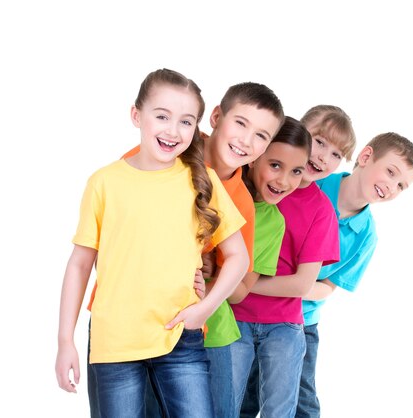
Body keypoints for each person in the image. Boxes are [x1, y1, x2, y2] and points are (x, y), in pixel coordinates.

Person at [54, 68, 250, 418]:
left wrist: (204, 309)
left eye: (186, 121)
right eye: (162, 116)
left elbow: (238, 257)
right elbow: (80, 264)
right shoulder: (104, 182)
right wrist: (65, 340)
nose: (173, 131)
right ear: (136, 116)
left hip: (179, 338)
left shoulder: (200, 179)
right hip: (114, 344)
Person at [87, 80, 285, 417]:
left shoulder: (242, 201)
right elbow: (115, 241)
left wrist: (205, 285)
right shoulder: (150, 156)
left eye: (261, 136)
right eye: (240, 124)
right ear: (216, 117)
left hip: (197, 325)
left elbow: (239, 284)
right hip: (124, 321)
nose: (246, 141)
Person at [238, 105, 356, 418]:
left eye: (336, 155)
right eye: (320, 142)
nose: (323, 158)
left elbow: (303, 283)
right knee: (233, 406)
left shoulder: (320, 210)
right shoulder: (258, 183)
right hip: (234, 317)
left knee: (280, 410)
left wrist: (241, 284)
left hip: (283, 324)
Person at [296, 131, 413, 417]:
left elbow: (328, 288)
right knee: (247, 393)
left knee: (303, 403)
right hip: (256, 307)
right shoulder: (312, 184)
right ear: (365, 157)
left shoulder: (367, 236)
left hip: (302, 321)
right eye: (391, 172)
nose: (392, 186)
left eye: (401, 185)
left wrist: (295, 287)